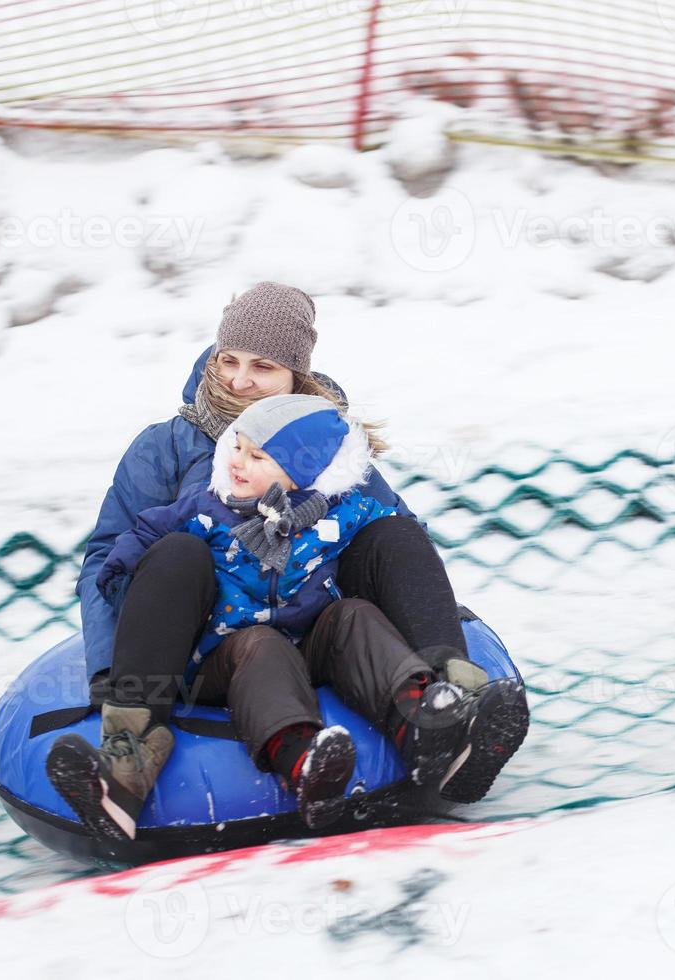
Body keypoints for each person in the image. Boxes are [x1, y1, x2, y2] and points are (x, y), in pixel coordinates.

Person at [70, 283, 528, 829]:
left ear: (294, 376)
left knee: (394, 536)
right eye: (228, 360)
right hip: (212, 644)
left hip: (318, 625)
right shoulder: (166, 447)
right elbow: (108, 557)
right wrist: (112, 666)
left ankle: (449, 708)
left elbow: (396, 537)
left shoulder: (326, 445)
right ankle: (133, 743)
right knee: (179, 553)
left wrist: (420, 608)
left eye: (262, 366)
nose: (239, 380)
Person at [49, 394, 477, 832]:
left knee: (354, 615)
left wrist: (422, 598)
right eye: (237, 447)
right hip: (225, 653)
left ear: (298, 476)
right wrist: (121, 575)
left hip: (313, 643)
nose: (237, 461)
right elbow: (143, 533)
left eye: (256, 456)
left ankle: (426, 722)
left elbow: (395, 532)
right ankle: (301, 763)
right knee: (260, 646)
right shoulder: (207, 507)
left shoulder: (340, 511)